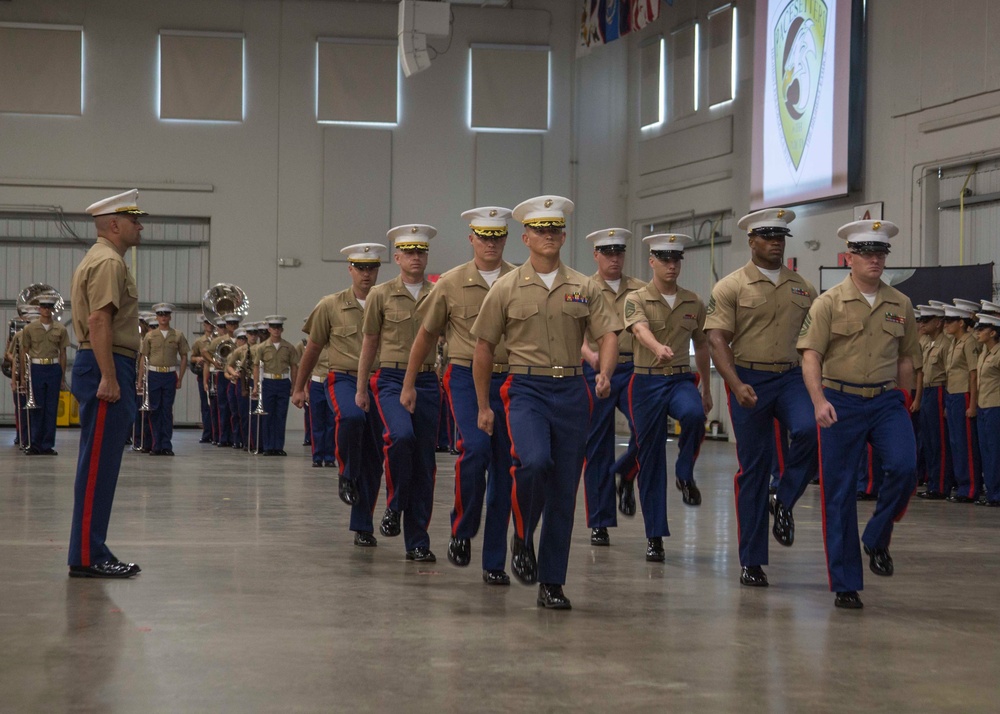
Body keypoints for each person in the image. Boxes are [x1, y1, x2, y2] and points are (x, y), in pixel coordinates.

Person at [471, 195, 621, 610]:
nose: (549, 235)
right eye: (540, 229)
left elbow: (609, 333)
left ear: (564, 235)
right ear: (525, 237)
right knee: (533, 463)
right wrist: (483, 406)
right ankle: (522, 533)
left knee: (564, 492)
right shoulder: (506, 288)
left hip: (573, 392)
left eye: (555, 229)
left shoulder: (584, 287)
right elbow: (483, 347)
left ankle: (552, 582)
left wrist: (604, 371)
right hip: (526, 390)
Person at [798, 219, 921, 609]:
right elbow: (811, 356)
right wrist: (818, 401)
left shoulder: (900, 304)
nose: (875, 259)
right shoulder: (828, 303)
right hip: (841, 399)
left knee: (904, 467)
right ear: (848, 257)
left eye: (881, 253)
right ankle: (846, 583)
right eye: (867, 253)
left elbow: (906, 357)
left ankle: (877, 536)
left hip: (886, 401)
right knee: (839, 492)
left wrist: (905, 398)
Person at [400, 206, 515, 584]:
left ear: (506, 239)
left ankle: (494, 561)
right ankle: (462, 528)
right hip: (465, 377)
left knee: (505, 469)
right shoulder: (449, 283)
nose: (491, 244)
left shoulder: (520, 280)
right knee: (476, 451)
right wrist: (410, 382)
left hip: (511, 380)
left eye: (497, 236)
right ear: (471, 239)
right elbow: (426, 336)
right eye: (484, 237)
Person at [705, 208, 818, 587]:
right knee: (753, 469)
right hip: (749, 376)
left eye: (780, 237)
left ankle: (783, 498)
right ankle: (752, 561)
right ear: (751, 241)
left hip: (791, 378)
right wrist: (735, 384)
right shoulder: (731, 287)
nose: (775, 242)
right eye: (767, 236)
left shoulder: (803, 288)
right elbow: (717, 338)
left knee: (809, 430)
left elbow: (814, 344)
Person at [67, 189, 146, 578]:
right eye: (135, 220)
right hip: (105, 364)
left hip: (106, 362)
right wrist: (110, 377)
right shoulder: (109, 263)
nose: (141, 226)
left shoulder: (102, 259)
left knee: (100, 465)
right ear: (114, 224)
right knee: (97, 466)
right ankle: (87, 555)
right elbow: (99, 322)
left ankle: (91, 548)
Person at [623, 233, 712, 562]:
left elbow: (702, 344)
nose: (671, 265)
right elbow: (639, 329)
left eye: (676, 260)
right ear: (652, 262)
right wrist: (655, 347)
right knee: (650, 460)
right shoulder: (637, 298)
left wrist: (706, 388)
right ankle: (654, 535)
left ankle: (685, 472)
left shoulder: (693, 302)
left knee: (693, 416)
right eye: (664, 259)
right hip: (646, 382)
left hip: (678, 380)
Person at [292, 243, 387, 547]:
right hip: (343, 378)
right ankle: (345, 471)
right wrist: (299, 387)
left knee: (374, 458)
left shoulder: (388, 303)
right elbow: (313, 348)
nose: (366, 274)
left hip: (380, 381)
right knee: (350, 415)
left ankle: (363, 525)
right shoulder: (330, 305)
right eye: (360, 268)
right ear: (350, 269)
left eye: (371, 268)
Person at [356, 226, 440, 562]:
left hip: (427, 381)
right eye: (409, 252)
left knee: (424, 462)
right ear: (397, 257)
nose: (416, 257)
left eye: (421, 251)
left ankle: (418, 541)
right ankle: (394, 504)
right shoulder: (381, 294)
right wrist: (361, 388)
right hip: (390, 379)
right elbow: (369, 343)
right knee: (401, 437)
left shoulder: (438, 293)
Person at [580, 228, 645, 548]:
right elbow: (574, 329)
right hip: (594, 371)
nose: (614, 258)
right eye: (607, 253)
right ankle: (600, 522)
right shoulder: (583, 289)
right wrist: (588, 353)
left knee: (646, 430)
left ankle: (625, 473)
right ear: (596, 255)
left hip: (635, 369)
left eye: (619, 252)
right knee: (597, 446)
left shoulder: (642, 290)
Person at [942, 302, 982, 502]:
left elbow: (973, 374)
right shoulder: (953, 343)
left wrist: (972, 404)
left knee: (966, 444)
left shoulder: (968, 342)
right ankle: (962, 485)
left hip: (965, 395)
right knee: (956, 443)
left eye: (950, 321)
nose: (946, 324)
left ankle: (971, 487)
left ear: (961, 322)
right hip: (953, 395)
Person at [20, 293, 69, 455]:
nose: (46, 310)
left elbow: (63, 354)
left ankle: (47, 444)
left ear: (52, 310)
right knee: (36, 407)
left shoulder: (60, 329)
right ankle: (34, 444)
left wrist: (62, 377)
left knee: (51, 408)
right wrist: (23, 376)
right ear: (39, 309)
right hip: (36, 368)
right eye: (44, 307)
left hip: (53, 368)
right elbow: (25, 353)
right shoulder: (30, 329)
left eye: (49, 307)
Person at [914, 305, 954, 499]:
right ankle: (933, 482)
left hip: (939, 390)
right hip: (928, 391)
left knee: (939, 441)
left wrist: (947, 401)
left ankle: (941, 485)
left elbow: (949, 374)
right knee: (928, 441)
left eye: (926, 320)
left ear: (938, 322)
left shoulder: (945, 344)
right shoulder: (929, 343)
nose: (922, 324)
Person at [138, 302, 188, 456]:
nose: (163, 317)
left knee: (167, 410)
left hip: (169, 375)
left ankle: (166, 445)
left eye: (166, 314)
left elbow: (184, 356)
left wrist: (180, 377)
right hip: (154, 374)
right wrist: (140, 380)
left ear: (170, 317)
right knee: (154, 410)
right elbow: (143, 358)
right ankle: (155, 444)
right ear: (157, 317)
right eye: (160, 315)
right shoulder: (150, 336)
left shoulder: (177, 335)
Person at [252, 315, 299, 456]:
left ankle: (278, 446)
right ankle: (267, 446)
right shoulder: (262, 347)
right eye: (273, 328)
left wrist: (294, 386)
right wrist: (256, 386)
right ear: (269, 329)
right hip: (268, 382)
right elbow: (256, 366)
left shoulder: (289, 347)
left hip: (283, 382)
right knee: (267, 416)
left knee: (280, 415)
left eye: (278, 328)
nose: (276, 330)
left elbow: (294, 367)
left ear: (282, 329)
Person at [972, 312, 1000, 506]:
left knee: (995, 451)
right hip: (984, 405)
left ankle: (997, 494)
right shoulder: (984, 352)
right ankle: (992, 493)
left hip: (995, 406)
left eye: (982, 329)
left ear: (993, 332)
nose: (978, 333)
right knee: (986, 451)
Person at [189, 316, 216, 443]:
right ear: (204, 325)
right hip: (204, 375)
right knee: (206, 405)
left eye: (211, 323)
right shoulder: (199, 342)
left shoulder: (219, 340)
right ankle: (207, 433)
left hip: (216, 373)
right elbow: (192, 358)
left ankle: (217, 433)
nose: (209, 325)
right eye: (207, 323)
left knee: (217, 406)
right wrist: (198, 359)